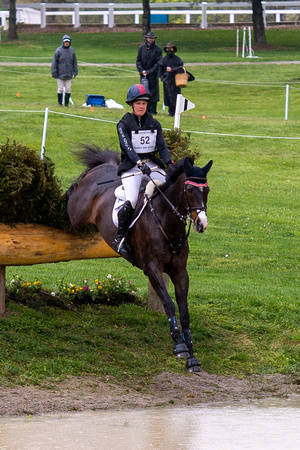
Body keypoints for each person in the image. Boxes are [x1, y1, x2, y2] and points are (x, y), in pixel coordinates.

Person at [113, 84, 174, 255]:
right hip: (132, 167)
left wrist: (169, 163)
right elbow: (128, 149)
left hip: (152, 164)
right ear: (131, 104)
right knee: (132, 199)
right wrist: (139, 163)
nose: (142, 106)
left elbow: (161, 146)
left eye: (144, 103)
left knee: (168, 191)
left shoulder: (154, 123)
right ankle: (120, 239)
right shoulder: (123, 124)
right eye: (138, 103)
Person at [136, 31, 162, 115]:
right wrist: (142, 71)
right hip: (143, 75)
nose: (151, 40)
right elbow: (138, 61)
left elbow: (158, 63)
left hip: (153, 75)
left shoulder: (158, 49)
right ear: (147, 38)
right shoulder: (141, 48)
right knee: (144, 92)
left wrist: (150, 71)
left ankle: (153, 110)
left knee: (153, 93)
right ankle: (145, 109)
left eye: (152, 38)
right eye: (149, 38)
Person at [51, 34, 78, 107]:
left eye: (68, 42)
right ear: (63, 42)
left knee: (68, 89)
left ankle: (66, 104)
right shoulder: (58, 50)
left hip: (68, 74)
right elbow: (54, 62)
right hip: (60, 74)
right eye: (65, 42)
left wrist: (75, 71)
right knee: (60, 89)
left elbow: (74, 62)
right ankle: (60, 103)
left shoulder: (72, 51)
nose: (66, 43)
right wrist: (54, 72)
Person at [159, 42, 184, 117]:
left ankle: (176, 111)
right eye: (167, 48)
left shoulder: (177, 59)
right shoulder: (164, 60)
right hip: (167, 81)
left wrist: (172, 70)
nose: (169, 50)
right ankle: (171, 111)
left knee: (176, 96)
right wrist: (163, 78)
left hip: (176, 81)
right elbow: (160, 70)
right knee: (168, 97)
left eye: (171, 48)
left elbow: (181, 68)